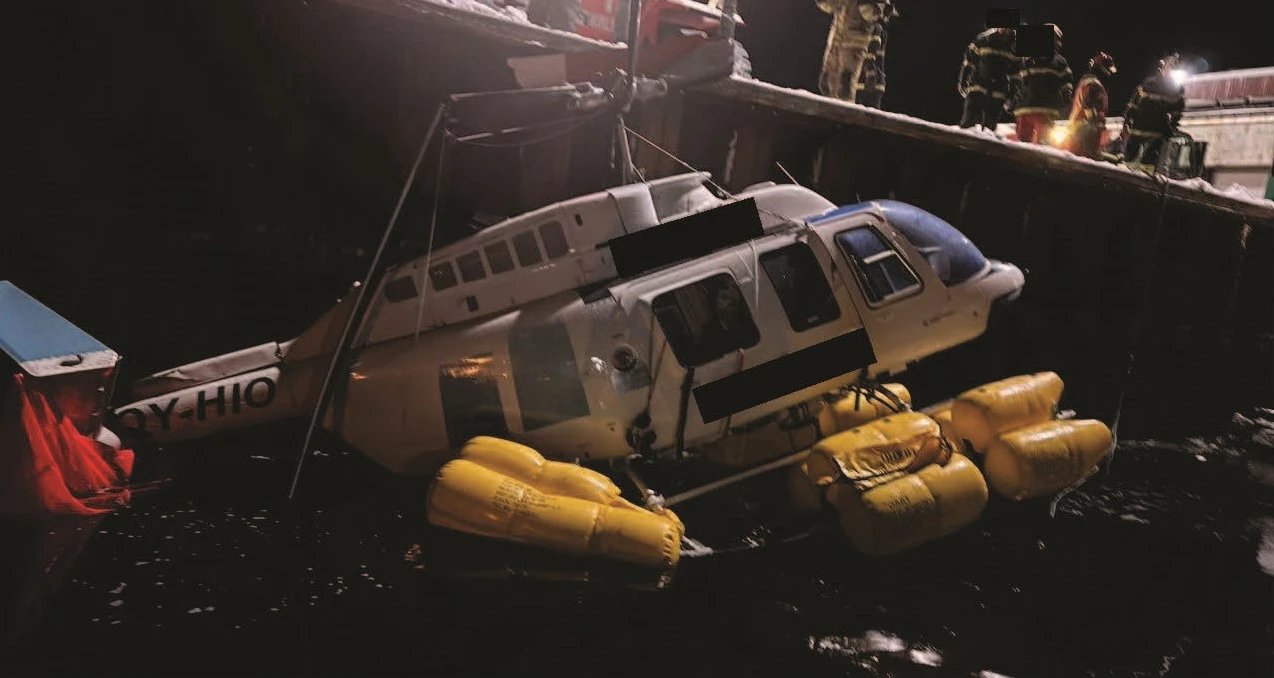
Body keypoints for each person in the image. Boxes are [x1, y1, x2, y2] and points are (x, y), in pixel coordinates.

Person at [1121, 53, 1187, 173]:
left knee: (1148, 166)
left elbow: (1177, 112)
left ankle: (1145, 184)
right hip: (1138, 129)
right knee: (1127, 162)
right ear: (1163, 67)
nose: (1171, 71)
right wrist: (1127, 121)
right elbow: (1133, 105)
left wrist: (1171, 127)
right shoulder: (1148, 84)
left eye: (1174, 68)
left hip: (1157, 133)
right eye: (1170, 67)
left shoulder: (1176, 90)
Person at [1008, 24, 1073, 144]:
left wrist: (1012, 100)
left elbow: (1014, 80)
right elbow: (1067, 85)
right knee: (1040, 145)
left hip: (1027, 109)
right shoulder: (1059, 61)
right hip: (1041, 110)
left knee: (1026, 145)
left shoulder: (1025, 59)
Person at [818, 0, 891, 102]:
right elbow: (829, 6)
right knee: (826, 85)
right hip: (835, 43)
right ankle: (827, 116)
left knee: (844, 88)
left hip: (853, 45)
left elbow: (871, 14)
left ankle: (843, 116)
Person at [958, 25, 1017, 132]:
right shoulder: (983, 39)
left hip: (998, 91)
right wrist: (963, 80)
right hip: (978, 86)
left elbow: (1015, 75)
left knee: (990, 128)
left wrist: (1012, 95)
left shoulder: (1014, 46)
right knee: (968, 124)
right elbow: (969, 62)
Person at [1063, 51, 1116, 159]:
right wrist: (1096, 125)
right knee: (1091, 159)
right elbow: (1089, 106)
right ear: (1102, 68)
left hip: (1080, 130)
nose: (1110, 75)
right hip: (1086, 131)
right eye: (1109, 70)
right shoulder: (1093, 84)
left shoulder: (1088, 81)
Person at [855, 9, 896, 109]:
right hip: (876, 83)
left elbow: (870, 57)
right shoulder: (881, 31)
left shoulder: (875, 29)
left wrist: (870, 78)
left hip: (867, 83)